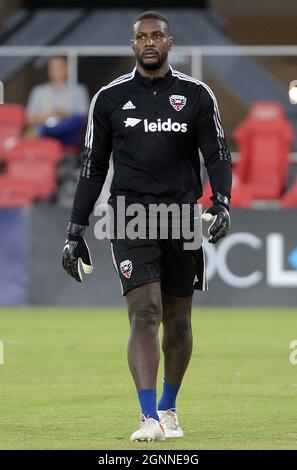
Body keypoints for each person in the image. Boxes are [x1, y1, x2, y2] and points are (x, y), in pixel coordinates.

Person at [62, 11, 232, 442]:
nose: (150, 42)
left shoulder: (197, 95)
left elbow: (216, 154)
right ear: (133, 44)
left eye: (158, 36)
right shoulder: (109, 98)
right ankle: (147, 417)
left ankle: (169, 409)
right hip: (128, 214)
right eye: (142, 37)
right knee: (145, 313)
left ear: (170, 43)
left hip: (182, 216)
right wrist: (74, 230)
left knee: (178, 319)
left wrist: (223, 202)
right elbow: (92, 166)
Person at [26, 55, 89, 146]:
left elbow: (83, 117)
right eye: (52, 68)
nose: (55, 70)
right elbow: (28, 119)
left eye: (59, 67)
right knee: (43, 129)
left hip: (67, 134)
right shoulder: (38, 91)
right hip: (43, 129)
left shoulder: (78, 91)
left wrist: (65, 115)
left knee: (76, 120)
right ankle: (48, 130)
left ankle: (50, 130)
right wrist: (44, 117)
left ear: (67, 68)